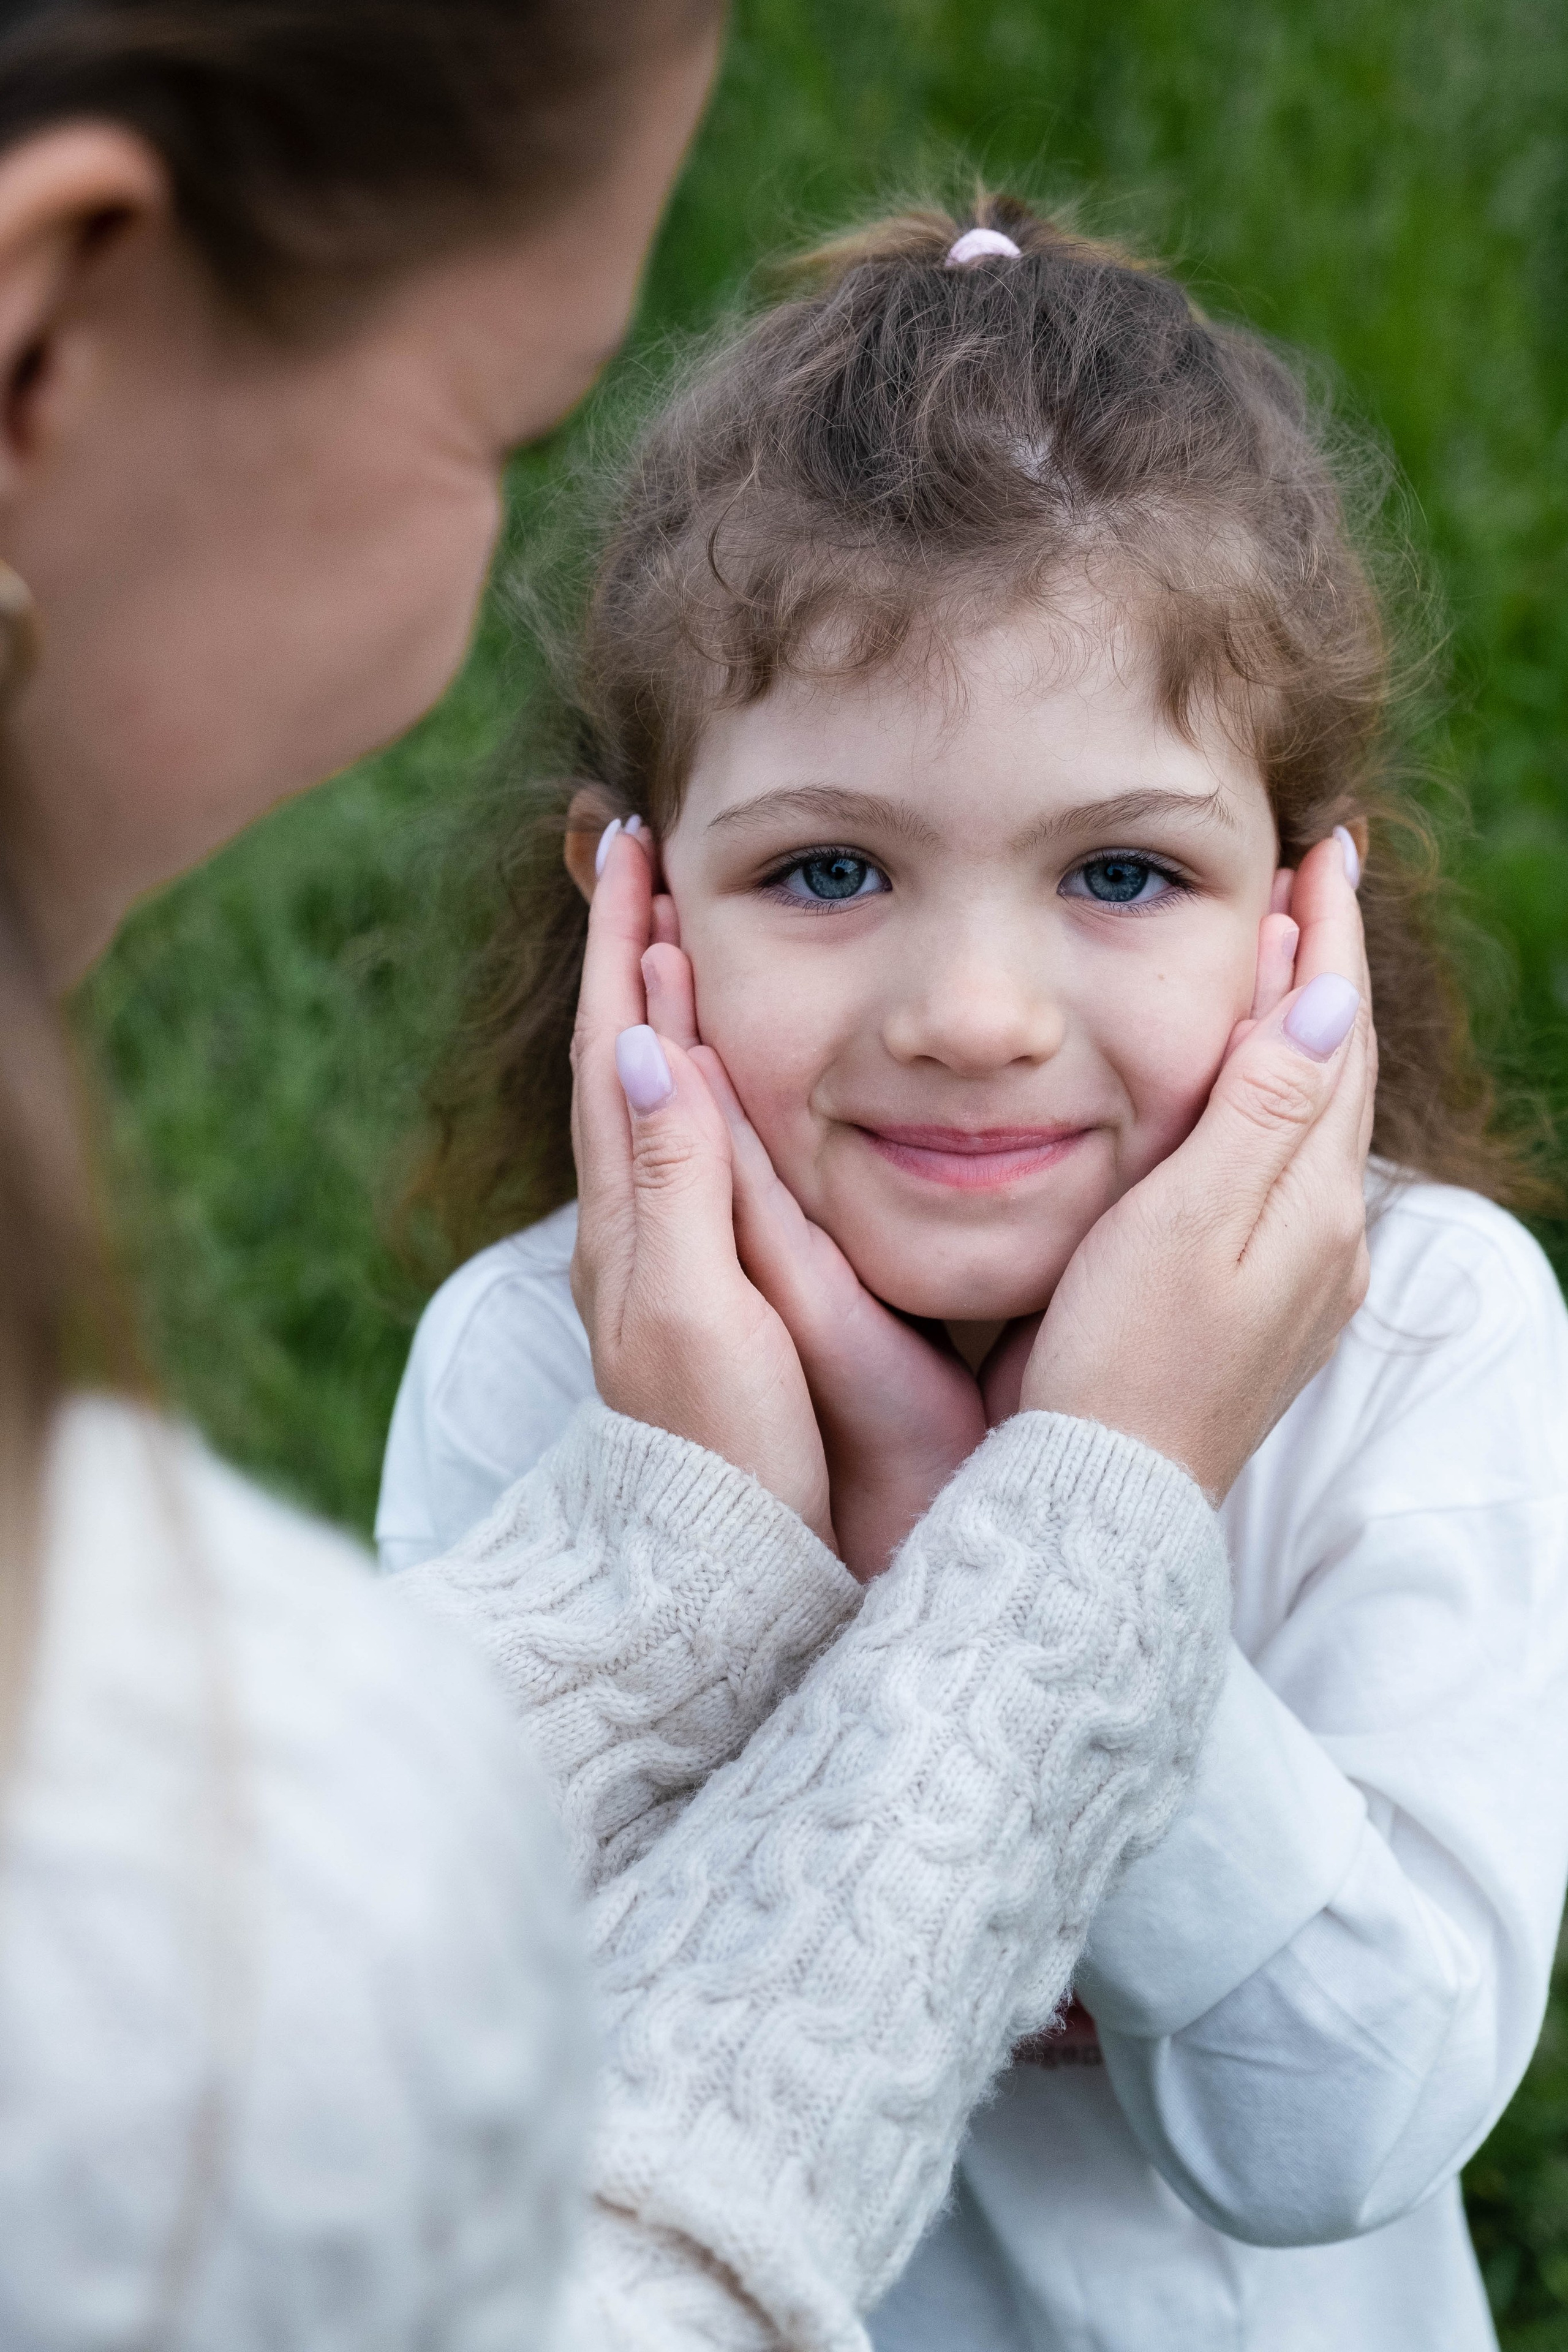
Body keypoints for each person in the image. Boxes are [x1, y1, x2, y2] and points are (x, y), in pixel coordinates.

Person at [383, 200, 1568, 2351]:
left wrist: (1032, 1534)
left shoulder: (1433, 1336)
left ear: (1305, 910)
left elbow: (1344, 2132)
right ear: (632, 892)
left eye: (1124, 871)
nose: (976, 1012)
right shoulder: (539, 1365)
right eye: (827, 870)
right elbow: (429, 2071)